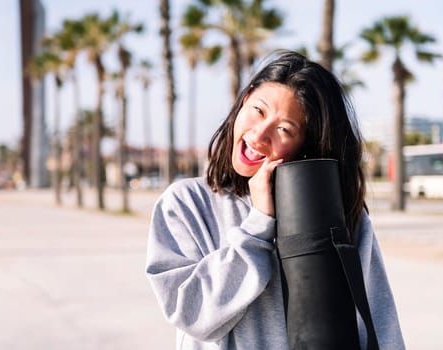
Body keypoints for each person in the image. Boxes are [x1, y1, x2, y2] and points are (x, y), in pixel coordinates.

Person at [145, 50, 405, 350]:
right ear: (245, 100)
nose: (260, 134)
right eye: (259, 110)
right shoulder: (186, 203)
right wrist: (258, 226)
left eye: (285, 129)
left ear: (306, 144)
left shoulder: (340, 211)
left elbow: (378, 323)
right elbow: (193, 315)